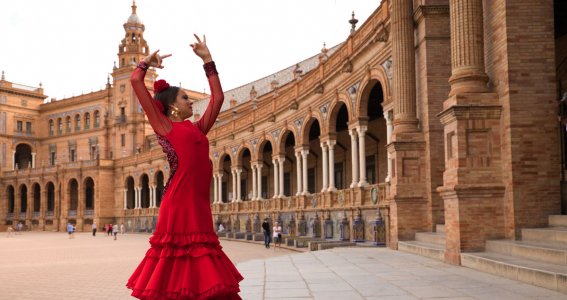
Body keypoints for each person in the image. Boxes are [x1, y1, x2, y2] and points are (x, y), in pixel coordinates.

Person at [126, 34, 242, 299]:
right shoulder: (164, 126)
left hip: (199, 205)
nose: (191, 102)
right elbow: (135, 81)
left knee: (202, 265)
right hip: (178, 205)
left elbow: (218, 98)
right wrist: (146, 63)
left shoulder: (199, 129)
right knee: (176, 267)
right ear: (172, 107)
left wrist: (208, 61)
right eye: (185, 98)